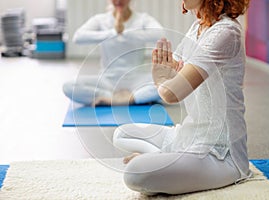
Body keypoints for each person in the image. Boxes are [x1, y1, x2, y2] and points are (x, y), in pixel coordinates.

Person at [113, 0, 251, 195]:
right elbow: (173, 74)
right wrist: (165, 78)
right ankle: (167, 160)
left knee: (135, 173)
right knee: (122, 133)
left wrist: (161, 81)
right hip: (188, 135)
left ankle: (162, 160)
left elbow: (172, 92)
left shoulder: (225, 33)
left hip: (219, 155)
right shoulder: (197, 27)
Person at [63, 0, 164, 106]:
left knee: (168, 85)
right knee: (68, 87)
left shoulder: (142, 19)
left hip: (136, 79)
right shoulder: (100, 20)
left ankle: (129, 98)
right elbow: (78, 37)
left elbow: (159, 34)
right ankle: (115, 97)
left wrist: (125, 32)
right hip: (108, 81)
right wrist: (113, 32)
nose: (119, 1)